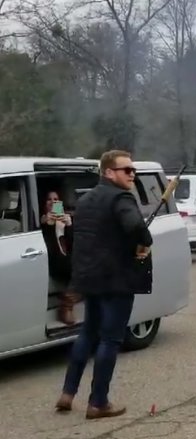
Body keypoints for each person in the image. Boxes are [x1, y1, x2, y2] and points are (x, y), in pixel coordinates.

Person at [54, 150, 152, 419]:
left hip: (89, 278)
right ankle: (98, 402)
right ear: (109, 172)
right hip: (115, 280)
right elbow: (134, 226)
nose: (132, 175)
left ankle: (67, 393)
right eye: (127, 170)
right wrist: (144, 241)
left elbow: (78, 236)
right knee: (110, 339)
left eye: (133, 170)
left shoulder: (85, 200)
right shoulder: (121, 197)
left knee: (88, 334)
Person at [41, 190, 80, 325]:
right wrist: (47, 226)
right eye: (49, 199)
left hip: (67, 260)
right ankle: (66, 307)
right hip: (52, 261)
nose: (53, 202)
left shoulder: (65, 220)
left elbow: (75, 245)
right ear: (44, 204)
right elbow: (49, 250)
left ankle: (67, 304)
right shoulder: (42, 222)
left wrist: (69, 226)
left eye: (56, 199)